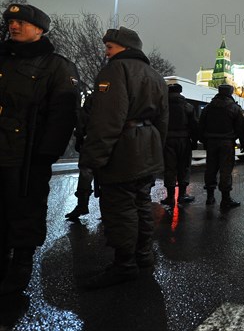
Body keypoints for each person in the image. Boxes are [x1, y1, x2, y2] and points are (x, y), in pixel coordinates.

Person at [78, 26, 168, 289]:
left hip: (123, 150)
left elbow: (107, 120)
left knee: (120, 209)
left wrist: (93, 158)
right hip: (147, 149)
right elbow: (163, 121)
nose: (106, 53)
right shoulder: (156, 76)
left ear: (126, 48)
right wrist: (155, 152)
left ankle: (124, 264)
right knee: (141, 203)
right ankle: (143, 255)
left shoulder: (115, 71)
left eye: (110, 47)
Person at [0, 3, 79, 295]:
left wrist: (45, 154)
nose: (13, 26)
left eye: (21, 22)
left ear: (40, 29)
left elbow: (63, 114)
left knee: (25, 210)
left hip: (27, 155)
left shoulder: (56, 66)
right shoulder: (3, 58)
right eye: (10, 21)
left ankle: (20, 267)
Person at [198, 84, 244, 209]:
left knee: (211, 168)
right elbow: (242, 127)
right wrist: (243, 142)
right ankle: (225, 199)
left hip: (211, 143)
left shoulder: (208, 108)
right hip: (227, 143)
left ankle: (210, 197)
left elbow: (201, 125)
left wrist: (204, 140)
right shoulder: (234, 108)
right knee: (225, 170)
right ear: (230, 93)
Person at [161, 83, 199, 207]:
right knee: (184, 167)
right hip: (184, 140)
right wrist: (194, 141)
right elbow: (194, 126)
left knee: (169, 168)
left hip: (167, 141)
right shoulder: (188, 106)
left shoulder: (162, 106)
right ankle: (182, 195)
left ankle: (170, 197)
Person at [65, 96, 95, 221]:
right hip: (115, 141)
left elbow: (83, 118)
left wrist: (79, 137)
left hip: (92, 140)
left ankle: (82, 205)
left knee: (85, 173)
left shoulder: (95, 96)